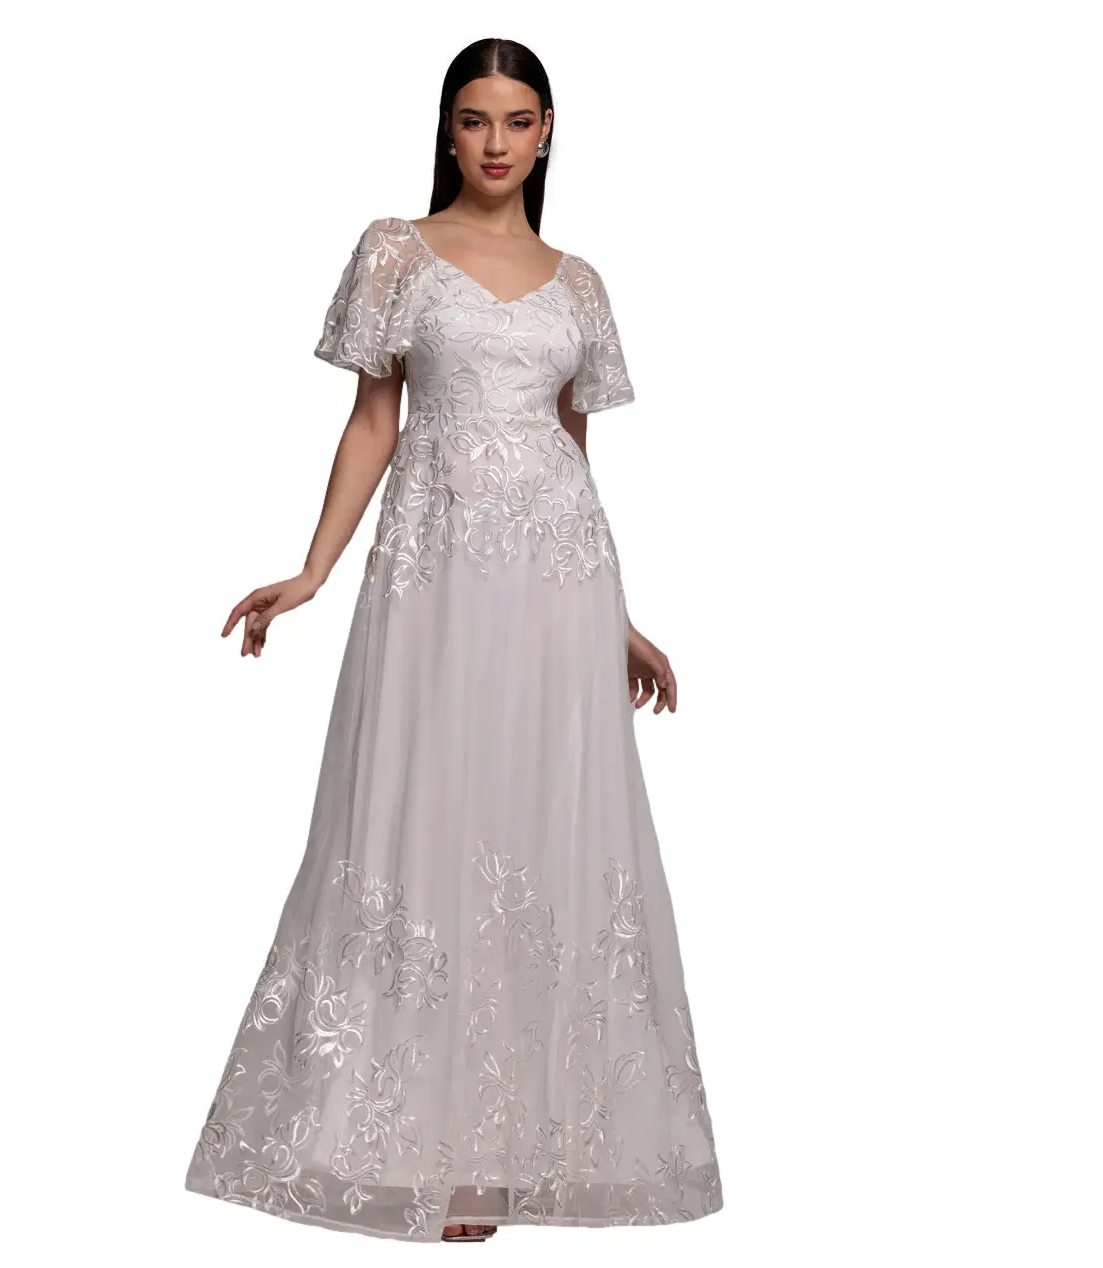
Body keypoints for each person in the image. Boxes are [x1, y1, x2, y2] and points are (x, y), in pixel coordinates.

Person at [183, 37, 723, 1243]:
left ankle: (513, 1149)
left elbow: (573, 451)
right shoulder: (395, 250)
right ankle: (416, 1145)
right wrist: (313, 571)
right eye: (474, 119)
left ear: (546, 133)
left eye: (517, 121)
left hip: (557, 583)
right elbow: (373, 421)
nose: (494, 142)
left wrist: (617, 617)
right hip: (432, 574)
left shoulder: (581, 283)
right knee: (428, 814)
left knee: (542, 827)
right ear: (446, 129)